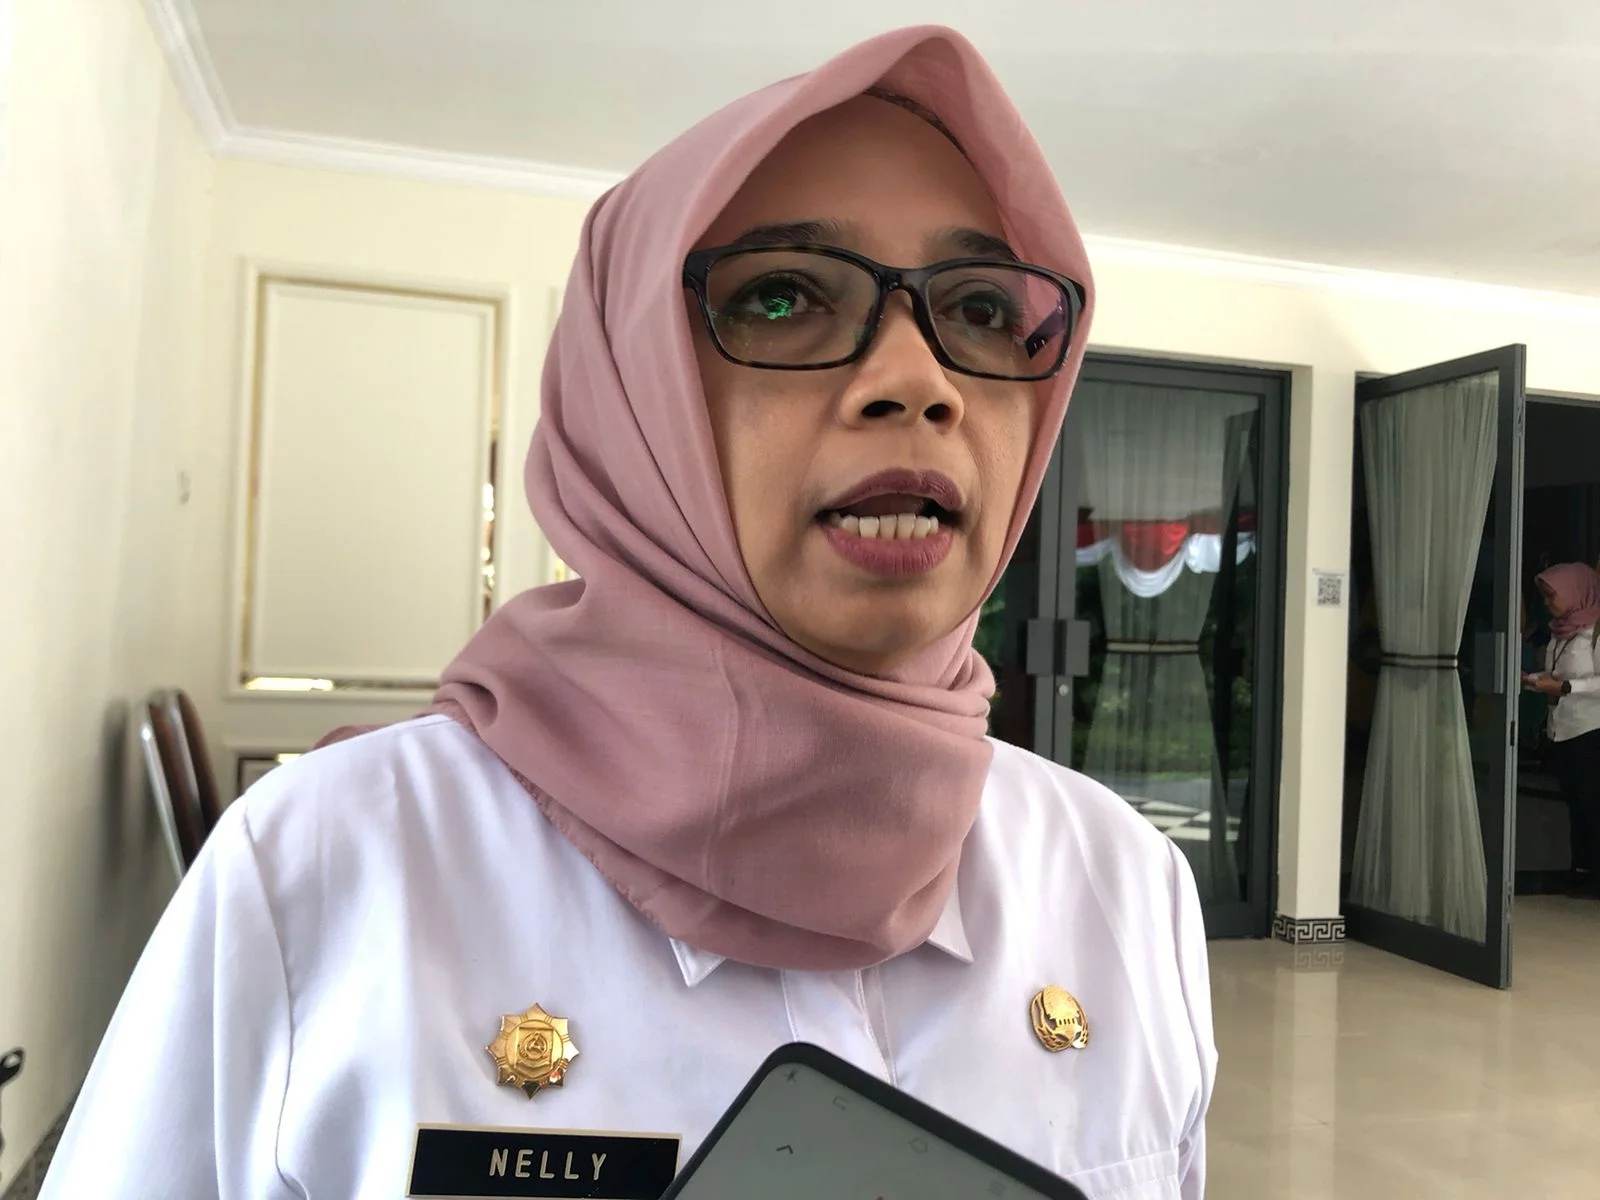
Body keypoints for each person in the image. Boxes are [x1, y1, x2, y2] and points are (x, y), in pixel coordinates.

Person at [40, 26, 1214, 1200]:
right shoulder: (330, 874)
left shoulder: (1122, 889)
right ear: (630, 393)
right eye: (781, 296)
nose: (918, 381)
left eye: (983, 309)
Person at [1525, 562, 1600, 895]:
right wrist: (1535, 681)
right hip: (1562, 728)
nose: (1547, 604)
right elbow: (1557, 673)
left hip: (1590, 729)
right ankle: (1581, 869)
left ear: (1573, 592)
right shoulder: (1561, 630)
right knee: (1575, 802)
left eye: (1551, 596)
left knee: (1591, 802)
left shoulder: (1595, 632)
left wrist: (1568, 688)